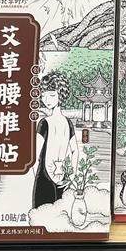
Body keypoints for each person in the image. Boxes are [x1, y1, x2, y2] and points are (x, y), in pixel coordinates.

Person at [33, 72, 80, 207]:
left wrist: (36, 177)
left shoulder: (44, 123)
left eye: (51, 95)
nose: (46, 99)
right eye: (43, 95)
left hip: (45, 176)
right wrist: (72, 175)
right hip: (63, 176)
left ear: (60, 95)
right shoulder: (67, 122)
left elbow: (35, 156)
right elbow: (75, 152)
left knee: (43, 212)